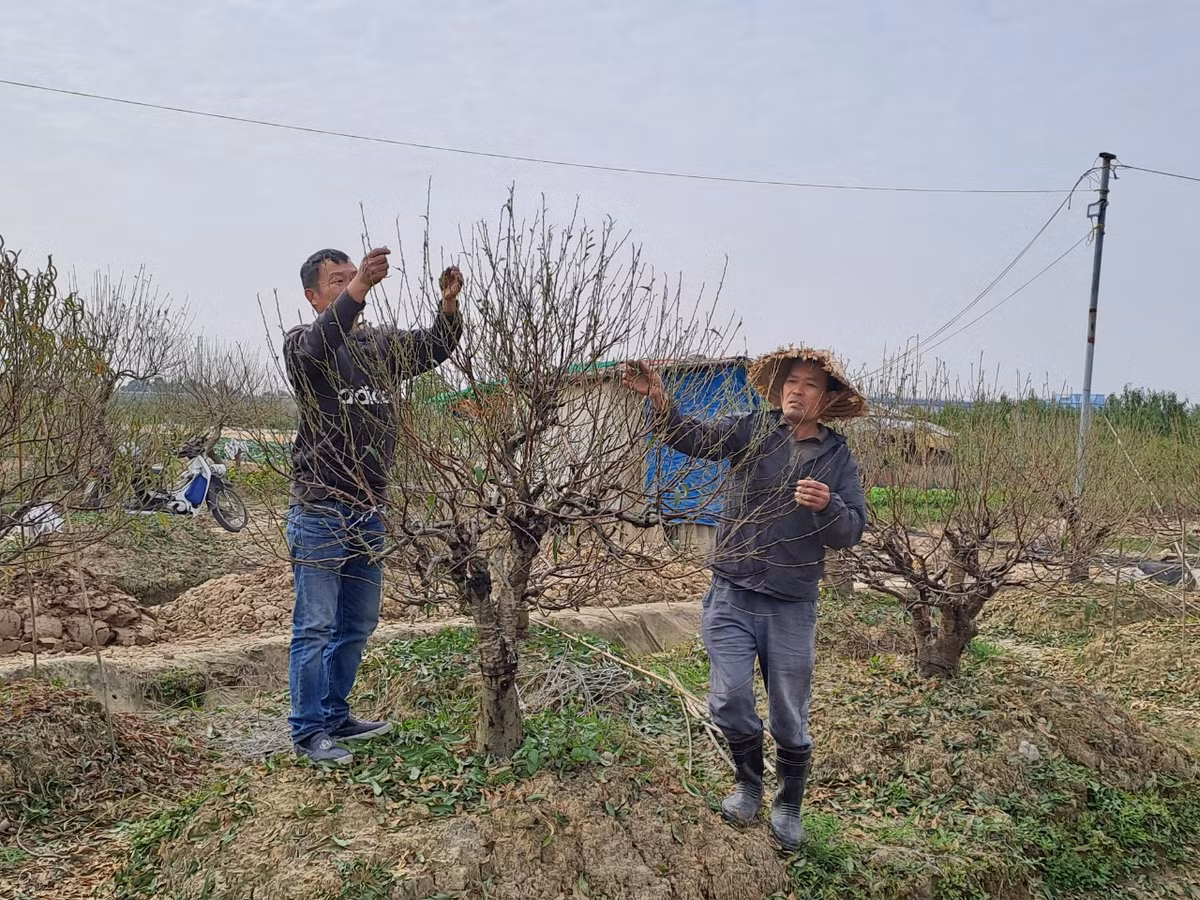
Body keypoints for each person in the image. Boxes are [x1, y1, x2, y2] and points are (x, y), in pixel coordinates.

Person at [620, 347, 868, 850]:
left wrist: (829, 506)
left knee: (788, 713)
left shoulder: (837, 457)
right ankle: (749, 783)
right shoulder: (750, 429)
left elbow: (852, 530)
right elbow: (689, 436)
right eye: (791, 381)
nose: (797, 390)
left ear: (827, 399)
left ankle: (789, 803)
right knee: (730, 698)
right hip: (731, 591)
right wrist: (661, 400)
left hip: (791, 603)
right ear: (780, 389)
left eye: (810, 385)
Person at [284, 246, 464, 764]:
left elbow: (433, 348)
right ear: (314, 295)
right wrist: (361, 286)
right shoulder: (303, 343)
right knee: (314, 625)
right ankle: (308, 731)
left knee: (357, 623)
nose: (349, 286)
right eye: (337, 282)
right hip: (320, 506)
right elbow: (323, 341)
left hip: (369, 508)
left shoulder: (378, 345)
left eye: (353, 277)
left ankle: (336, 714)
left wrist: (447, 307)